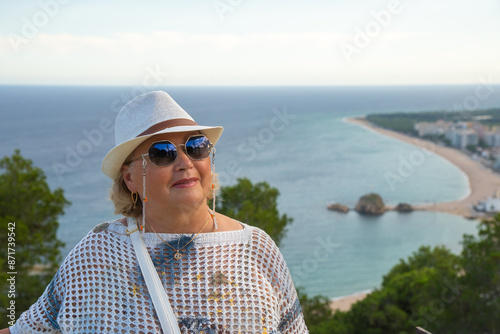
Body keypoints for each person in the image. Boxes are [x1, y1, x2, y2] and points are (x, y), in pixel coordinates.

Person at [3, 91, 308, 333]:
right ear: (130, 178)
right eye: (162, 152)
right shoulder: (96, 254)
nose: (185, 161)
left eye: (196, 146)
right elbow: (30, 329)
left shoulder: (256, 248)